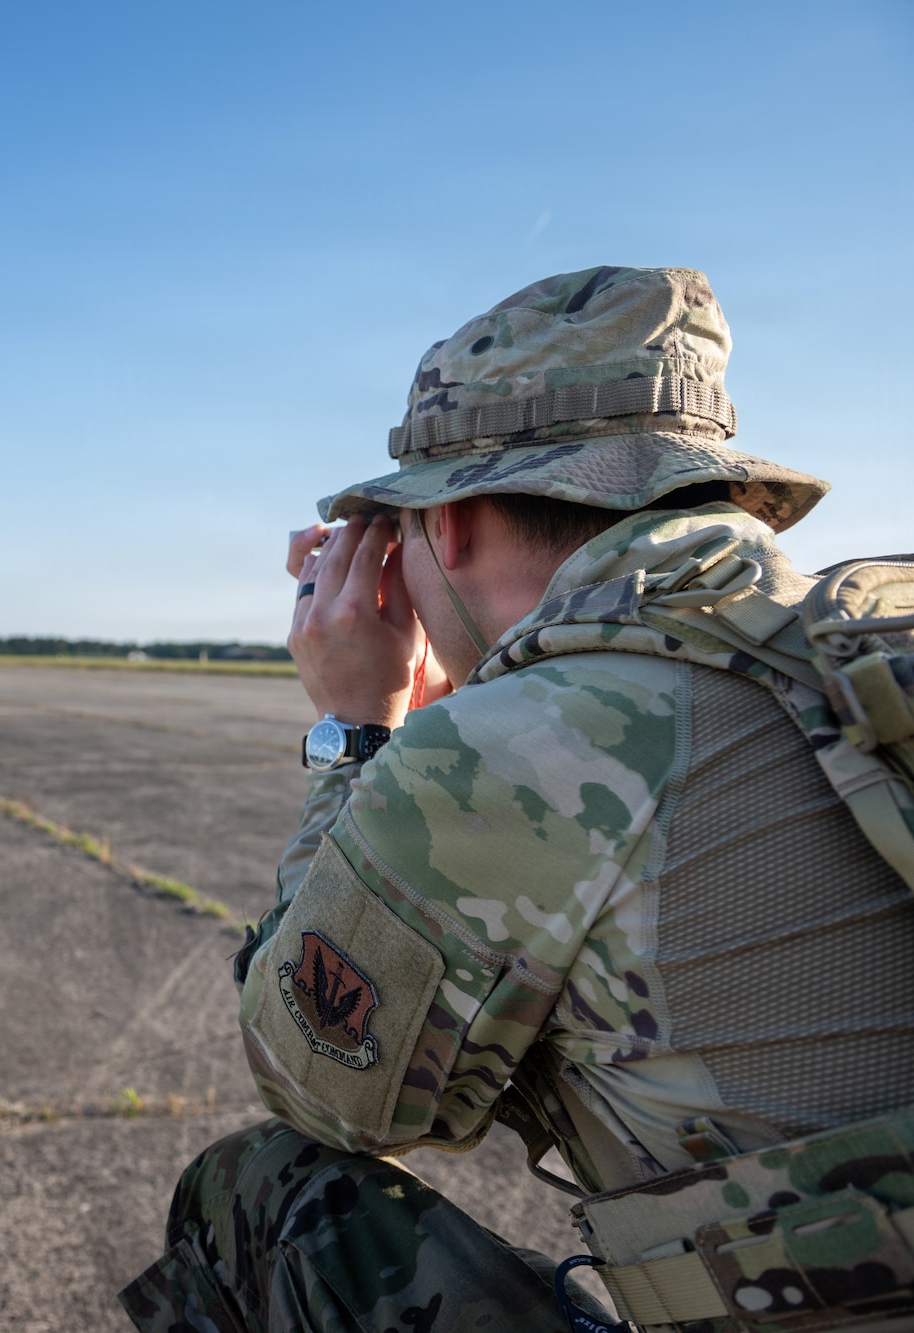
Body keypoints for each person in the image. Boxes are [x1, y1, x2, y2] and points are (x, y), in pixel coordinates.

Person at [120, 266, 914, 1333]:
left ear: (446, 529)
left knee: (258, 1193)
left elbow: (316, 1084)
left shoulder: (531, 742)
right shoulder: (850, 655)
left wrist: (362, 737)